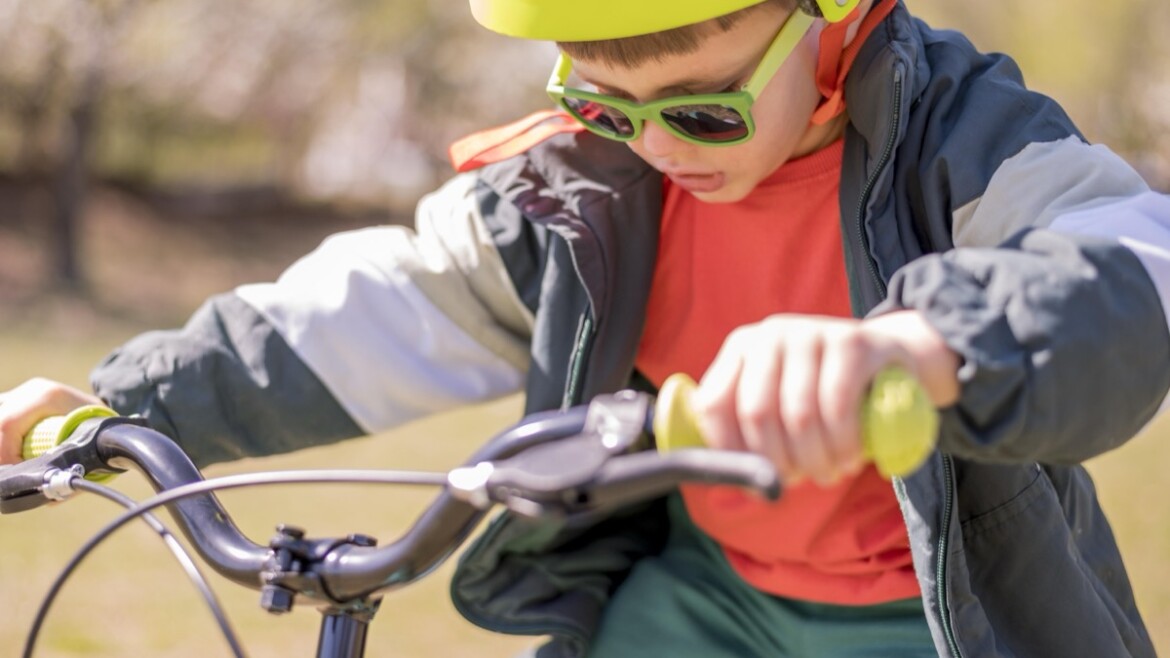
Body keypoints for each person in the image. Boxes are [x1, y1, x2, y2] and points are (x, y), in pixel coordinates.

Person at [2, 0, 1169, 655]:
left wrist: (923, 340)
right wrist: (121, 404)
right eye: (601, 101)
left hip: (935, 615)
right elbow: (359, 314)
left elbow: (1132, 262)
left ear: (839, 20)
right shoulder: (578, 189)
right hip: (701, 594)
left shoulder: (963, 139)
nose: (653, 146)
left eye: (703, 109)